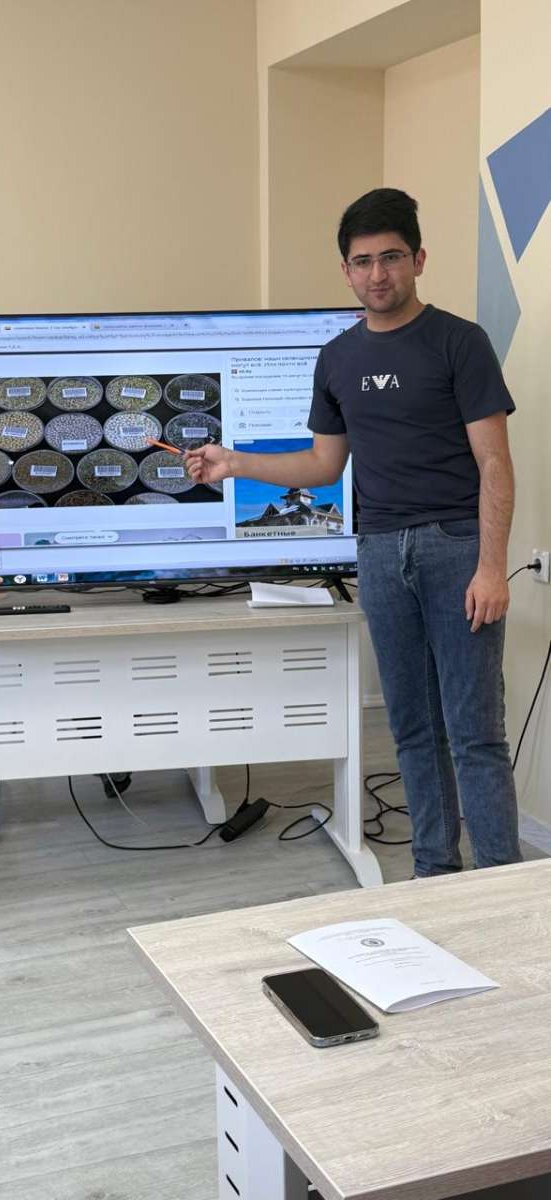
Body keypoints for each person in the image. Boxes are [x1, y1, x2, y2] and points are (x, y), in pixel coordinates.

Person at [186, 187, 522, 878]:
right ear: (345, 271)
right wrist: (234, 463)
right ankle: (433, 876)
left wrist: (492, 567)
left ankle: (502, 889)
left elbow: (495, 463)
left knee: (475, 735)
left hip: (455, 549)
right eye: (362, 261)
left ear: (418, 259)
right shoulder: (336, 358)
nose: (377, 274)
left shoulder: (460, 342)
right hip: (377, 553)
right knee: (413, 730)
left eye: (391, 257)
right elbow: (322, 464)